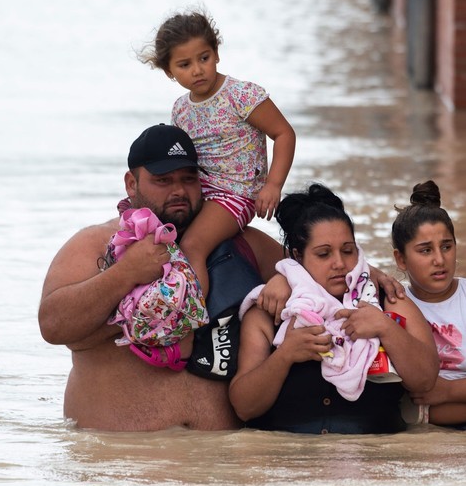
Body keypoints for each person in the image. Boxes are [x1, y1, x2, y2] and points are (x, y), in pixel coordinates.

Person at [38, 125, 285, 431]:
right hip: (118, 461)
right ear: (132, 183)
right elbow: (52, 325)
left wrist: (287, 280)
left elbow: (338, 275)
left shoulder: (241, 243)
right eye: (163, 180)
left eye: (188, 179)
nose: (178, 191)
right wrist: (125, 274)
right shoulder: (95, 243)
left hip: (220, 465)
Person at [229, 184, 440, 434]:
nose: (339, 263)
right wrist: (284, 356)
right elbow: (243, 408)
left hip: (375, 462)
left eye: (348, 251)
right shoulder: (270, 311)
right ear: (298, 256)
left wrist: (386, 328)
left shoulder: (387, 299)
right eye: (323, 254)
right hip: (287, 463)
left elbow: (426, 380)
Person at [137, 9, 297, 305]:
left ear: (216, 54)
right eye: (185, 64)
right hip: (203, 192)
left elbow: (284, 134)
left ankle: (188, 314)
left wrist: (273, 185)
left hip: (236, 193)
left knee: (193, 245)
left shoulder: (242, 95)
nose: (197, 70)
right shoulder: (180, 109)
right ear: (169, 71)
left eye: (204, 58)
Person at [390, 180, 466, 432]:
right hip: (422, 440)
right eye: (425, 250)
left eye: (446, 246)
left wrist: (447, 391)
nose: (439, 260)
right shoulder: (394, 306)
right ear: (401, 259)